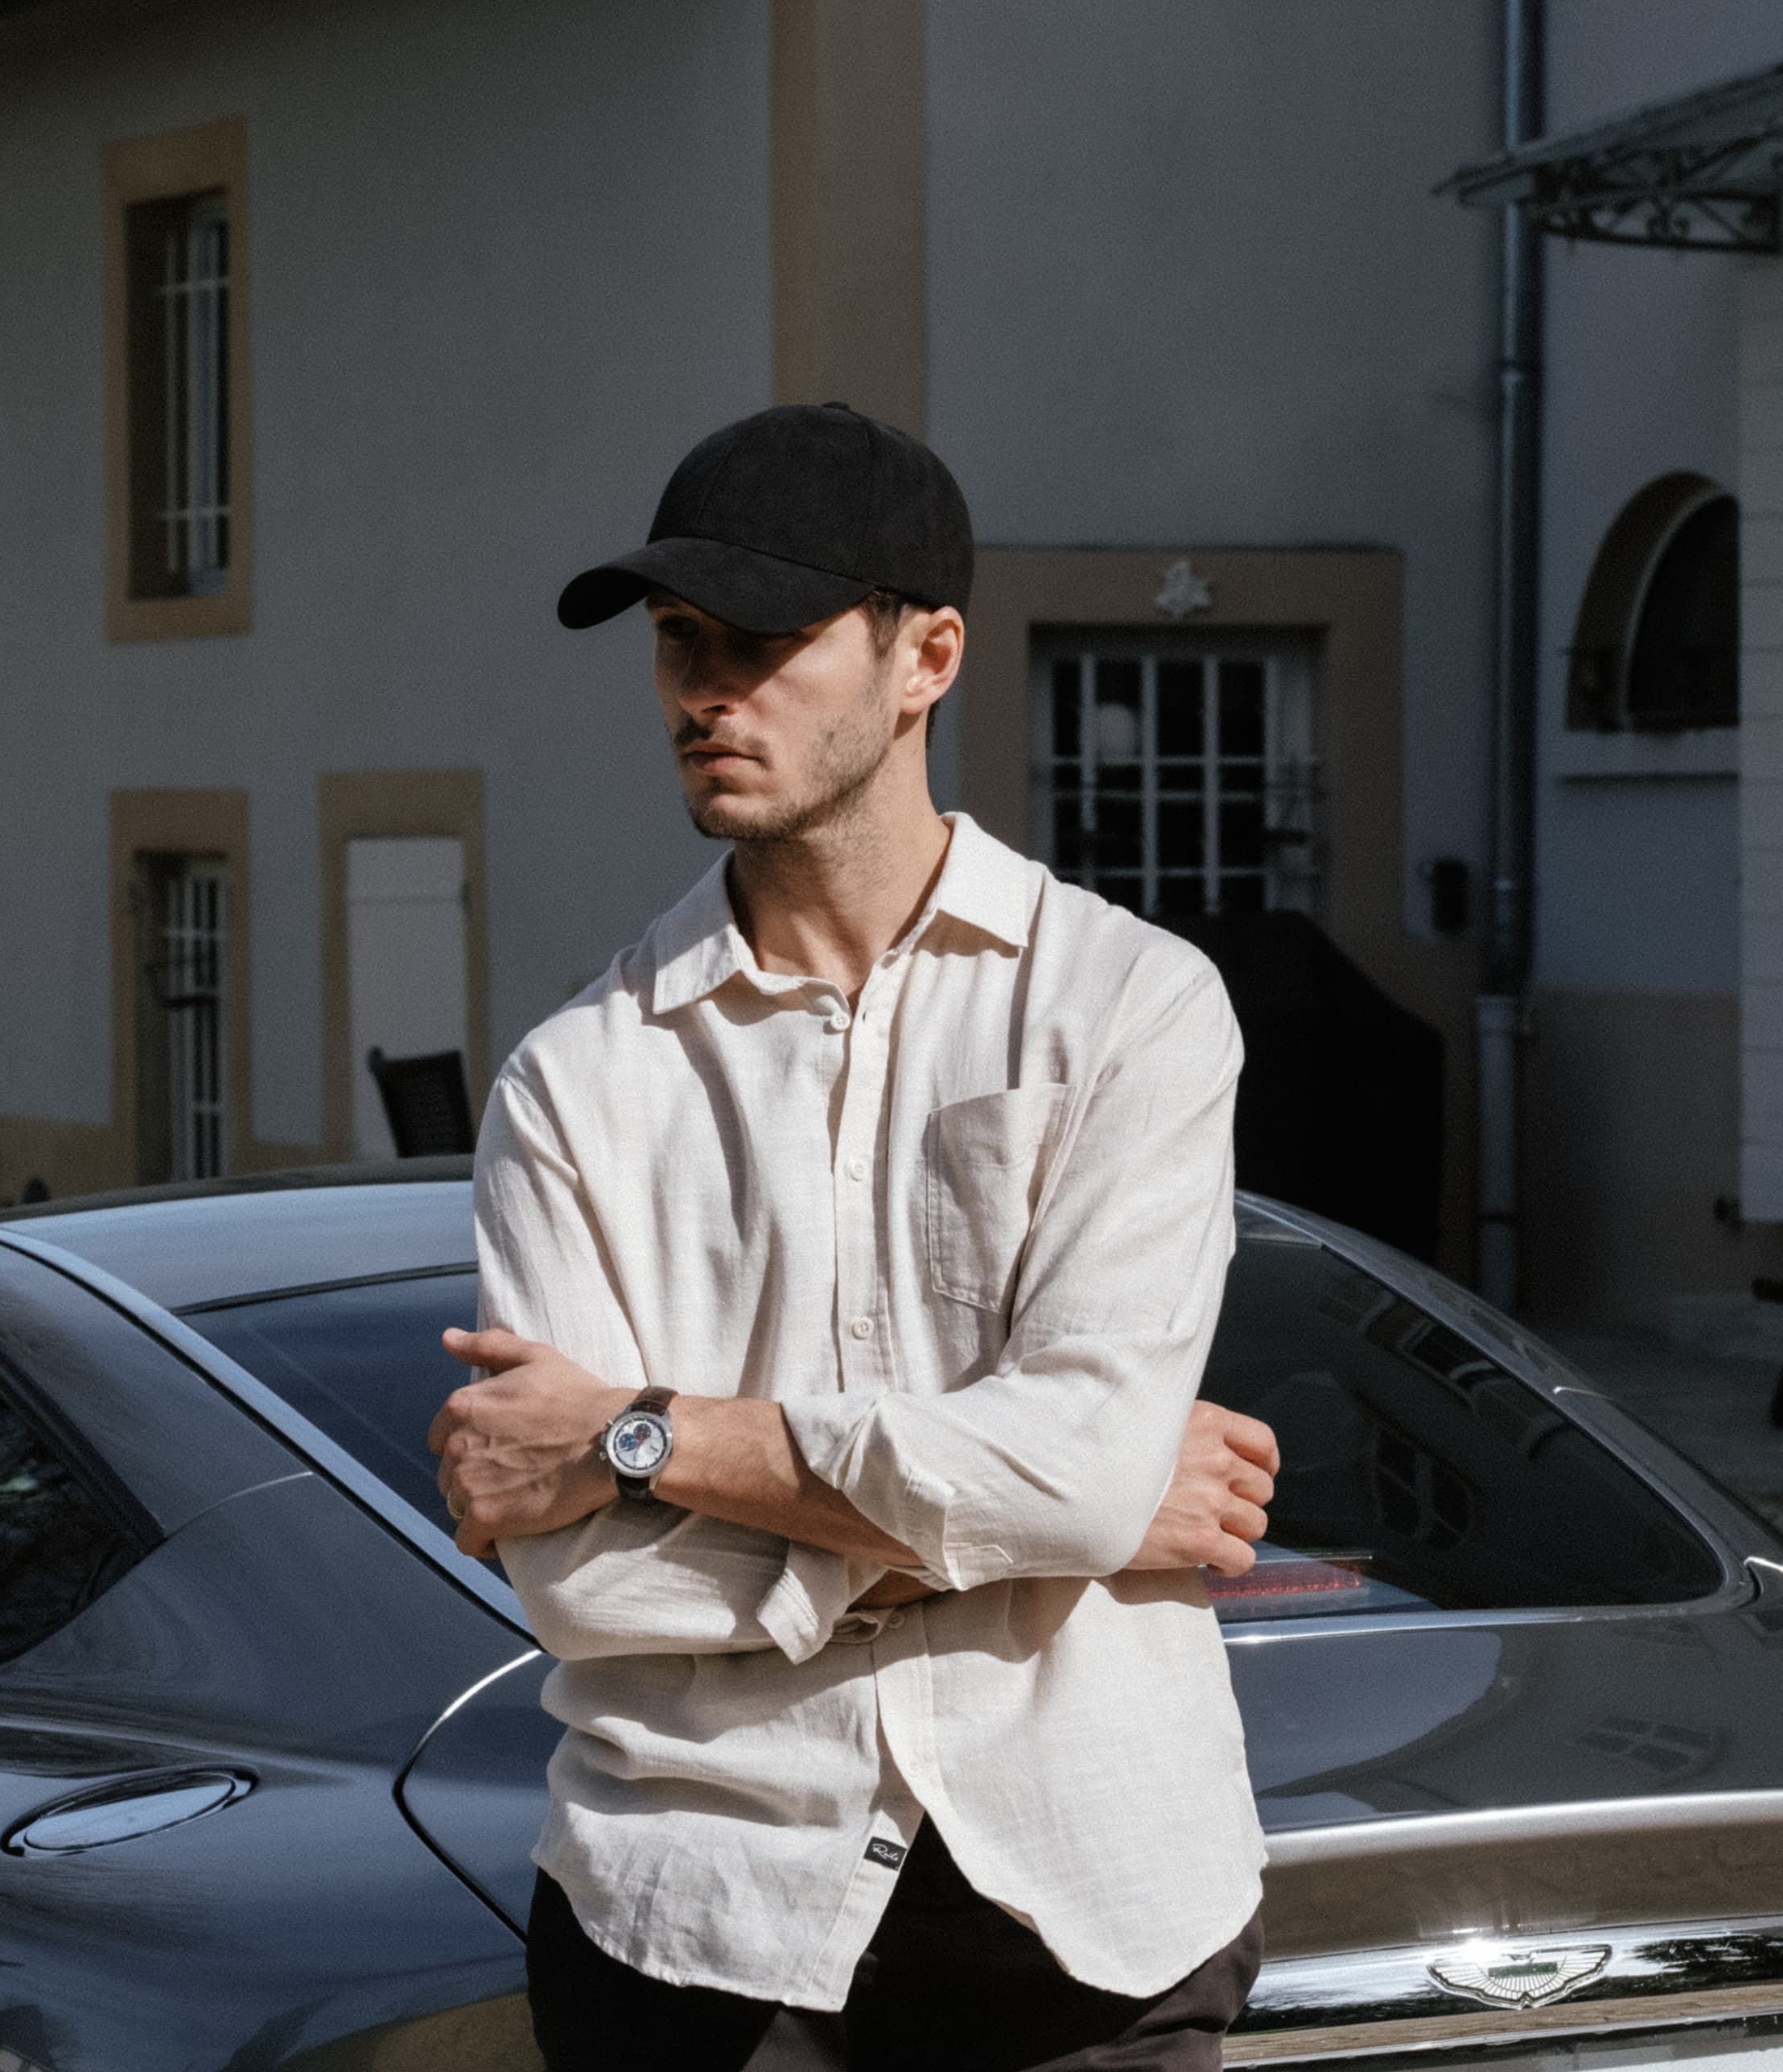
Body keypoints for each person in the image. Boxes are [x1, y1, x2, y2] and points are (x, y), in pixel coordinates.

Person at [428, 402, 1281, 2072]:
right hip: (695, 1915)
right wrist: (1064, 1518)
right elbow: (583, 1584)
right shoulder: (577, 1081)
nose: (705, 690)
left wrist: (636, 1438)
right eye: (678, 639)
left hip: (1090, 1903)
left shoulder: (1132, 1004)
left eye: (762, 638)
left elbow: (1076, 1469)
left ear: (925, 658)